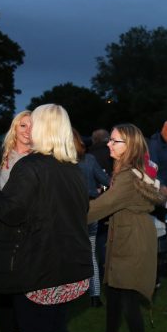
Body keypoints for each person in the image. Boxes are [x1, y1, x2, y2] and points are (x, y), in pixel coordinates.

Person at [0, 104, 93, 332]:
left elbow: (10, 212)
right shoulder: (73, 169)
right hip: (71, 268)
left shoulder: (31, 166)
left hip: (40, 270)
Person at [80, 124, 166, 332]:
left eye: (115, 141)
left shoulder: (128, 176)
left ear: (129, 146)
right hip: (124, 234)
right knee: (114, 292)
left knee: (127, 296)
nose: (109, 144)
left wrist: (66, 214)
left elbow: (98, 208)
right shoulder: (126, 170)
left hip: (133, 240)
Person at [0, 110, 32, 332]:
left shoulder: (39, 159)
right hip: (2, 229)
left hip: (28, 230)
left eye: (32, 126)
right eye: (22, 126)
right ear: (14, 129)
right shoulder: (1, 158)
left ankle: (20, 331)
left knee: (25, 282)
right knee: (4, 282)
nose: (27, 131)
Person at [73, 128, 110, 307]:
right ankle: (95, 295)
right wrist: (99, 190)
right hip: (91, 209)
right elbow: (106, 181)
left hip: (70, 212)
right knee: (91, 252)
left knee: (69, 252)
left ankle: (69, 293)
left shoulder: (62, 162)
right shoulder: (89, 159)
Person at [148, 119, 167, 189]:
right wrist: (161, 185)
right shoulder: (154, 145)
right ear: (163, 130)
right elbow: (152, 168)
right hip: (160, 187)